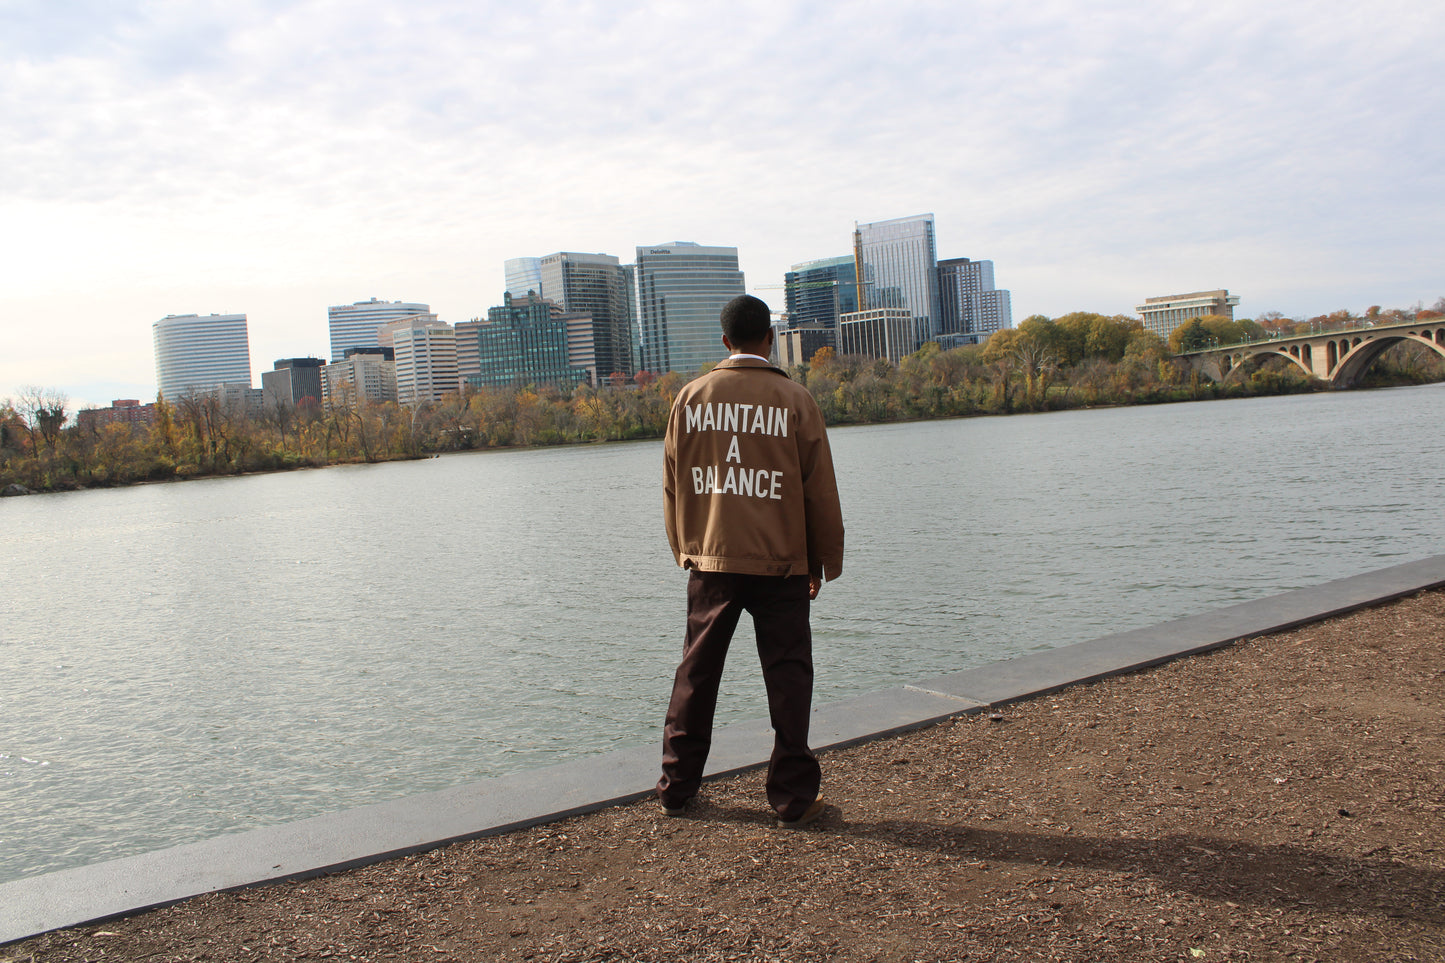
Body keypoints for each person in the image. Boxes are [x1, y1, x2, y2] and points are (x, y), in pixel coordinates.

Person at [658, 294, 845, 829]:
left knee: (696, 673)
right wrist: (822, 561)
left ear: (725, 342)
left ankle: (676, 787)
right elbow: (819, 492)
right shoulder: (795, 399)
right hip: (781, 561)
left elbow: (672, 485)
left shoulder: (690, 399)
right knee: (788, 677)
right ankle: (791, 798)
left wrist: (684, 548)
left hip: (711, 560)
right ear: (770, 338)